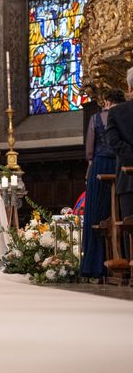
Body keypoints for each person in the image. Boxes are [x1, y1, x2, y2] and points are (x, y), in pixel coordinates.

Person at [81, 88, 126, 278]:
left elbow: (89, 151)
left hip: (99, 166)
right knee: (119, 212)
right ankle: (123, 257)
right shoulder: (125, 117)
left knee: (97, 216)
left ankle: (95, 266)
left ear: (106, 101)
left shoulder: (96, 119)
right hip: (119, 164)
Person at [107, 67, 133, 256]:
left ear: (129, 88)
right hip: (127, 178)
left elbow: (114, 143)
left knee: (129, 226)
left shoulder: (116, 113)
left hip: (127, 177)